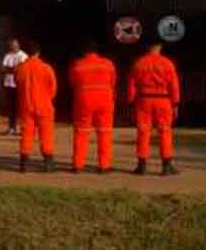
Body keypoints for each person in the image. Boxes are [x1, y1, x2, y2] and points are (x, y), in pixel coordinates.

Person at [127, 41, 181, 176]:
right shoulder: (167, 63)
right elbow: (174, 85)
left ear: (147, 47)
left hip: (144, 100)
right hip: (164, 100)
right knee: (165, 132)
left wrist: (131, 101)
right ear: (160, 47)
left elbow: (132, 84)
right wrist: (175, 104)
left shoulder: (139, 63)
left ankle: (142, 166)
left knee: (143, 132)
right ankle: (166, 165)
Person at [69, 40, 117, 174]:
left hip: (83, 101)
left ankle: (78, 165)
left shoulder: (77, 65)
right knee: (104, 132)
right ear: (97, 51)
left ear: (84, 52)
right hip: (104, 101)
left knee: (81, 132)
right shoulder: (108, 64)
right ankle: (104, 165)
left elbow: (73, 83)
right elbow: (113, 83)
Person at [14, 40, 57, 173]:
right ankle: (48, 163)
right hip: (44, 105)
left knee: (26, 134)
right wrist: (47, 99)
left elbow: (17, 84)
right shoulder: (46, 68)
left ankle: (23, 164)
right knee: (46, 134)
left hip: (26, 105)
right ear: (38, 52)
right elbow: (53, 87)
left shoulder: (20, 68)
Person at [3, 39, 28, 135]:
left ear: (18, 45)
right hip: (8, 84)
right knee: (11, 107)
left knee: (21, 107)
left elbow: (20, 69)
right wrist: (13, 69)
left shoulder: (23, 55)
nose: (13, 46)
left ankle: (22, 127)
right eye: (11, 45)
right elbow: (4, 68)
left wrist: (12, 69)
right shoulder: (8, 55)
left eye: (14, 44)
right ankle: (11, 127)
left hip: (19, 84)